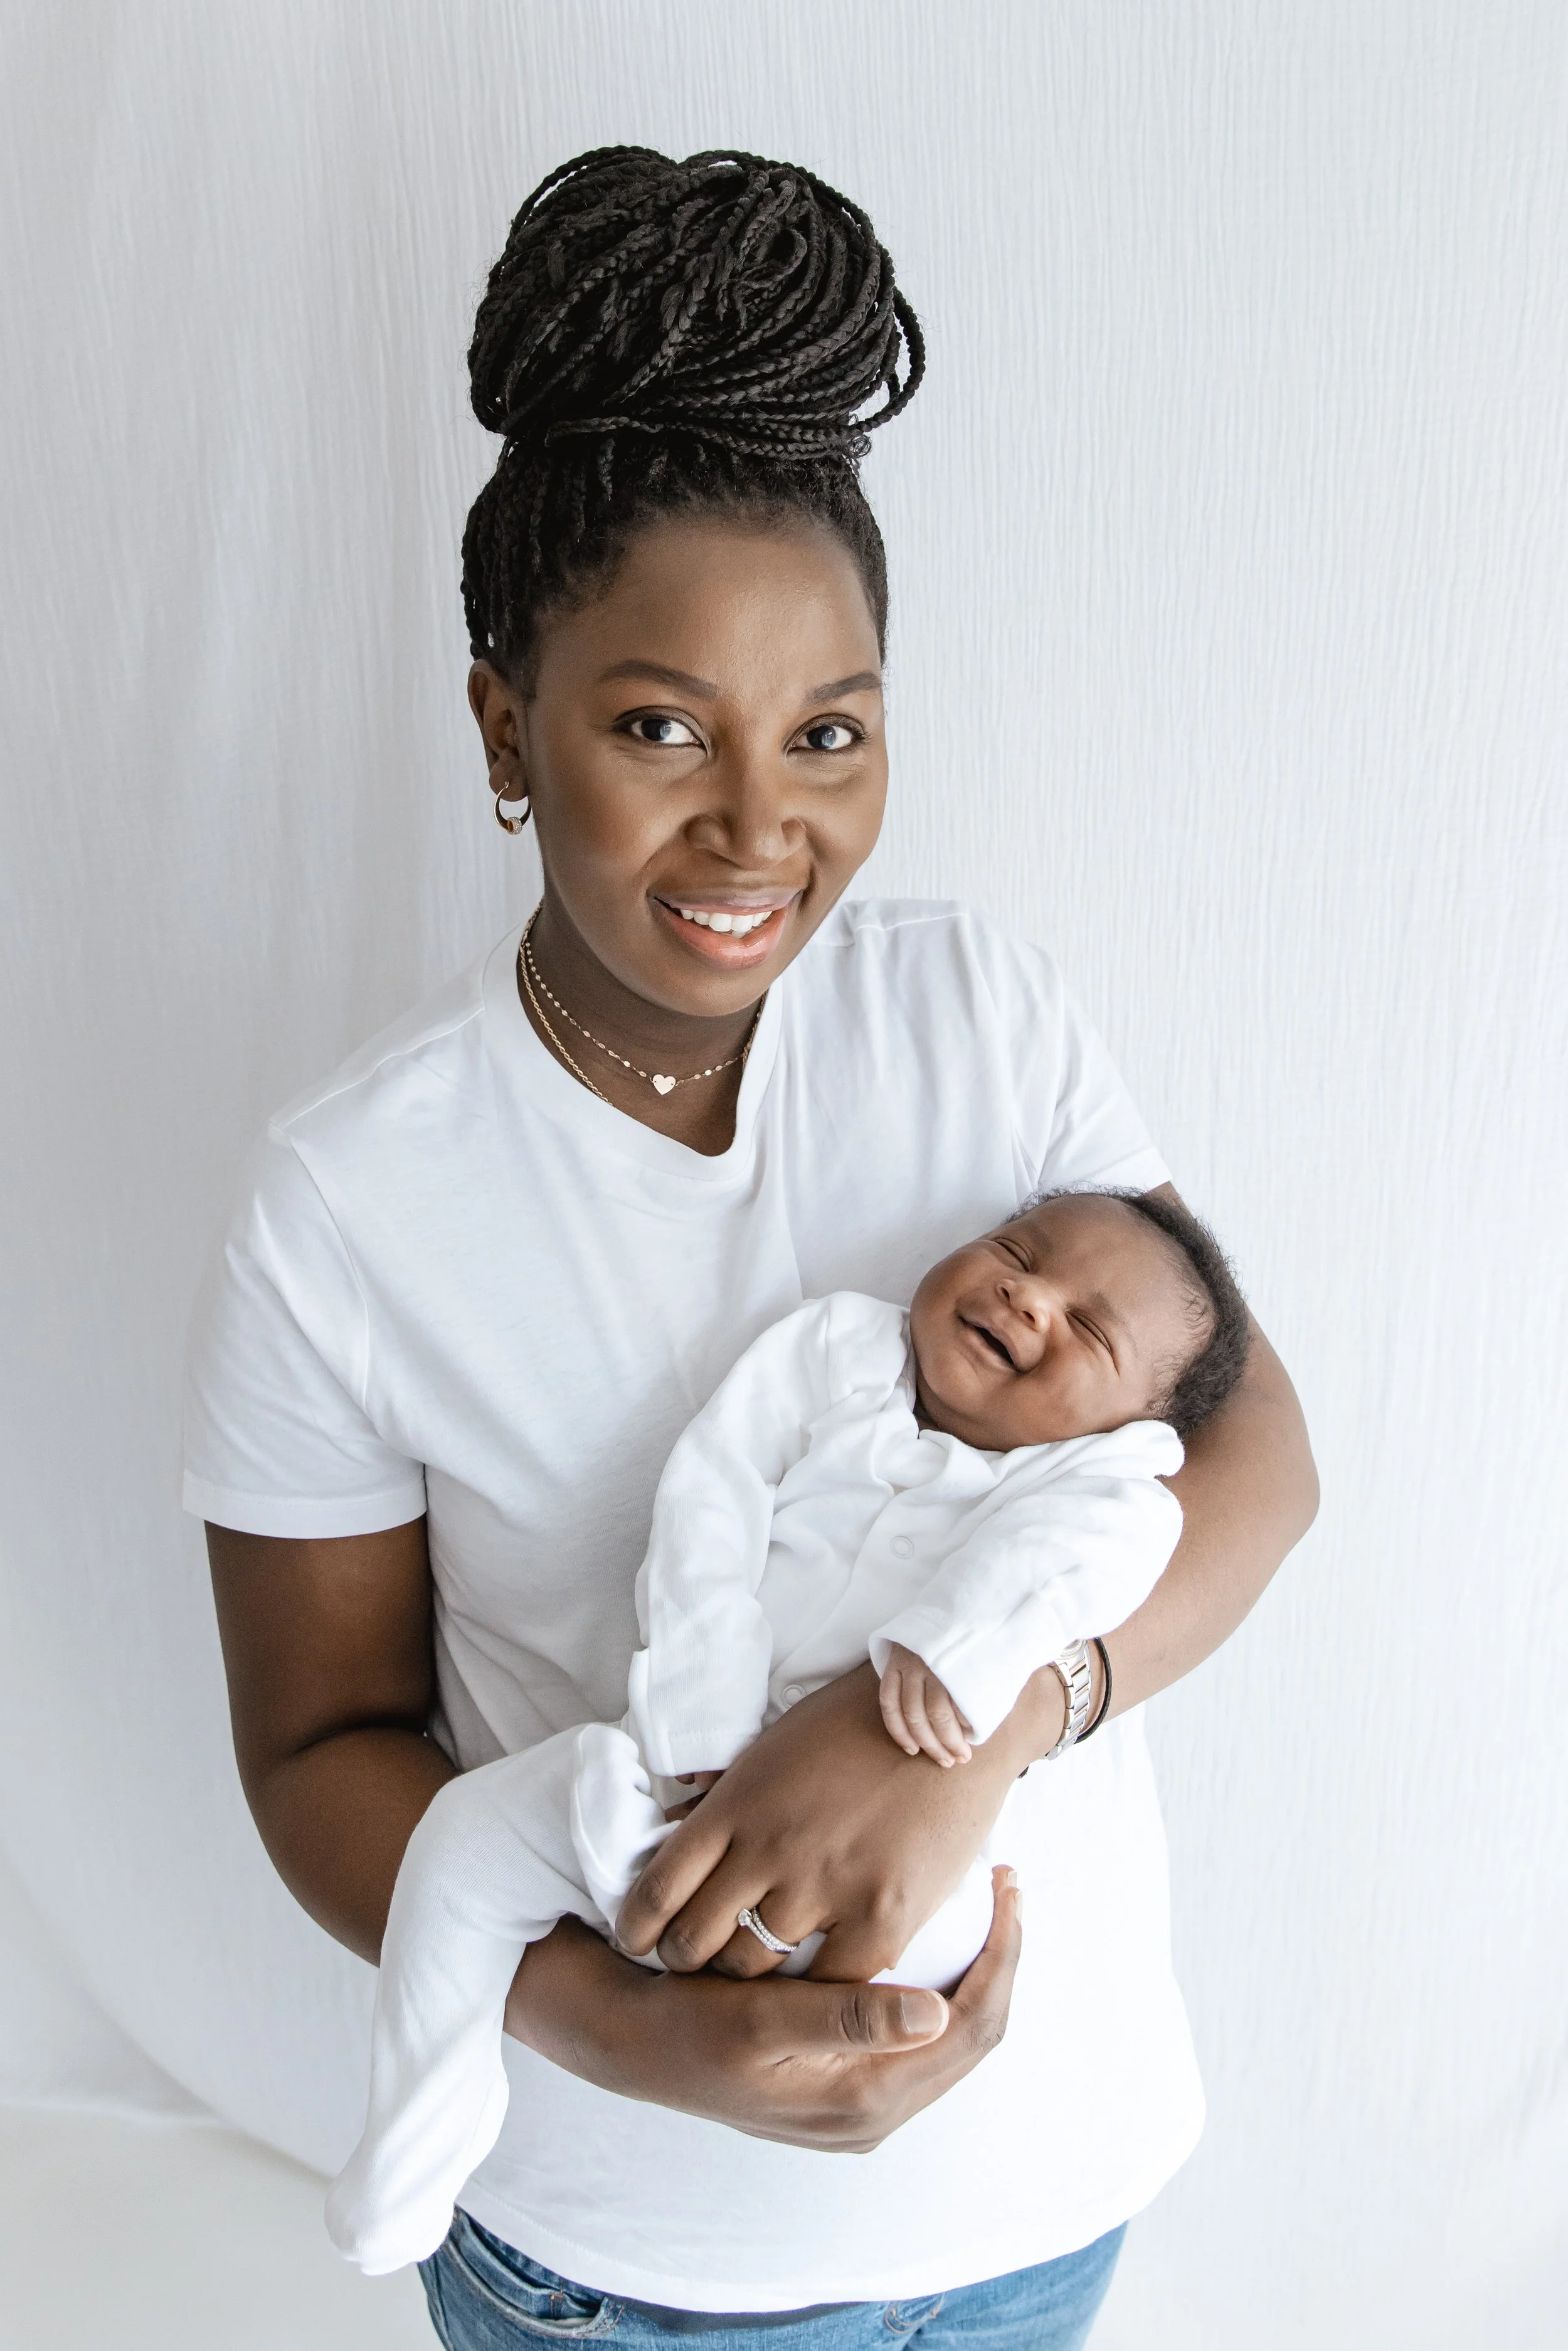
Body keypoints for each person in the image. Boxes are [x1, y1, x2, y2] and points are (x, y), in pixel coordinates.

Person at [189, 148, 1318, 2349]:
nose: (756, 828)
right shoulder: (347, 1199)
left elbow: (1250, 1439)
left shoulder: (978, 1015)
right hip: (625, 2264)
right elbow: (319, 1744)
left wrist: (977, 1728)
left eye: (829, 733)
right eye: (653, 726)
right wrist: (614, 2023)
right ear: (506, 727)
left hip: (1047, 2190)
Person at [326, 1184, 1253, 2279]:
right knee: (464, 1841)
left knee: (925, 1946)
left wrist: (954, 1650)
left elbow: (1093, 1555)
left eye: (1088, 1327)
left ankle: (802, 1997)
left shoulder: (1103, 1485)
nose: (1027, 1293)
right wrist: (699, 1727)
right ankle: (420, 2130)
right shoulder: (836, 1354)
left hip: (902, 1893)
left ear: (1133, 1425)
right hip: (674, 1806)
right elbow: (708, 1506)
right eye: (1015, 1251)